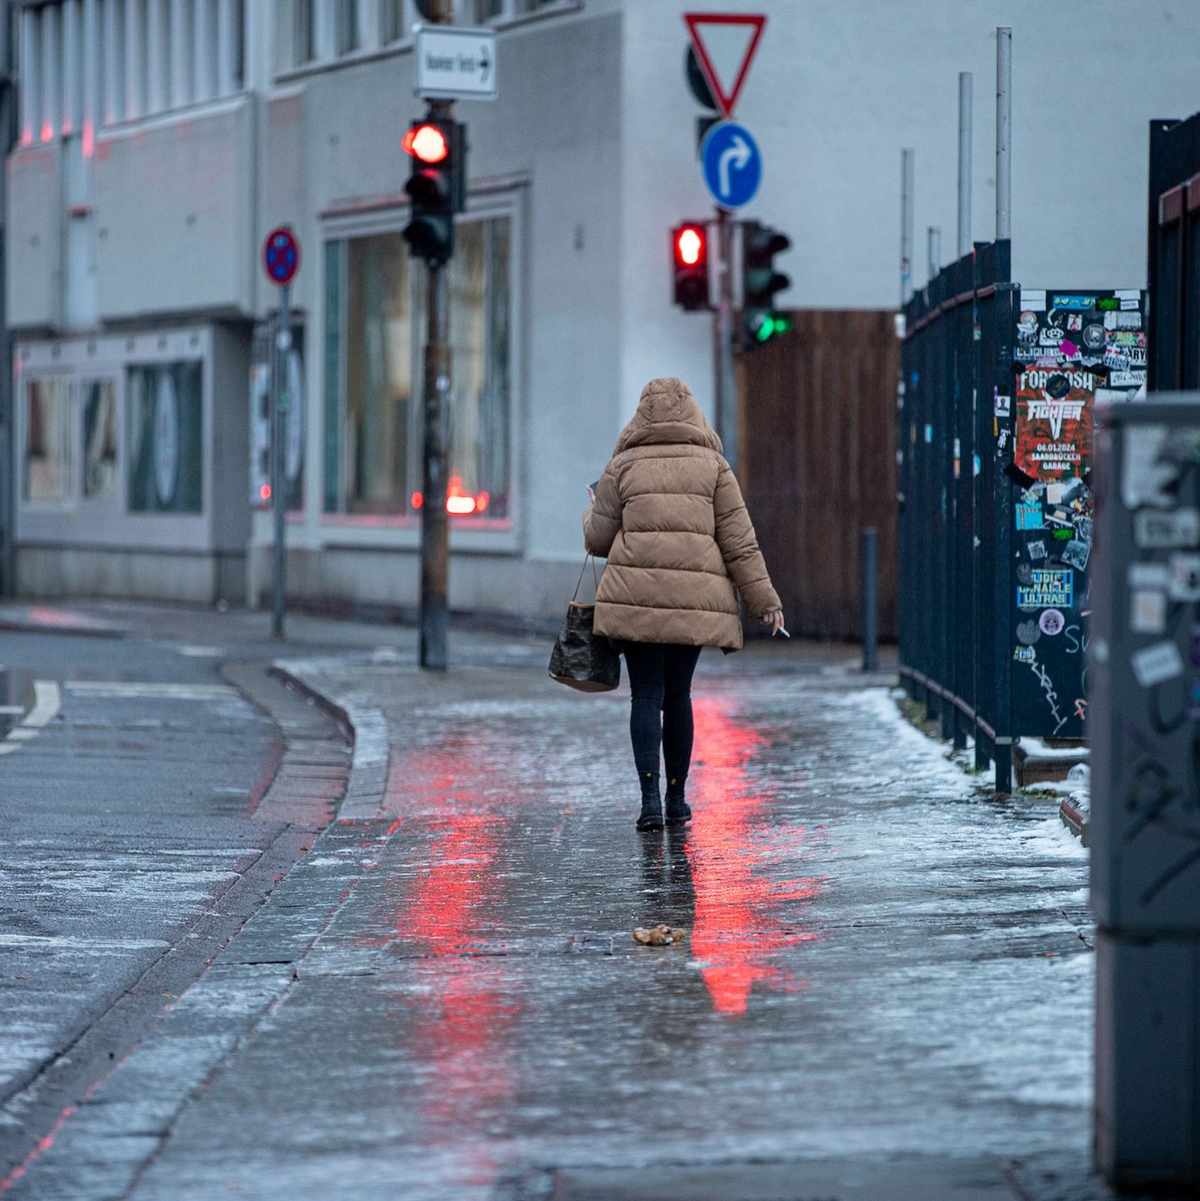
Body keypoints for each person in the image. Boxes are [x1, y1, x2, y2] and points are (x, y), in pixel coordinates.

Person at [583, 377, 783, 832]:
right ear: (693, 413)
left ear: (642, 415)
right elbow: (739, 541)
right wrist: (764, 600)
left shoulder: (623, 465)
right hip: (694, 602)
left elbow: (598, 540)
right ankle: (677, 798)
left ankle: (649, 800)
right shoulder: (713, 465)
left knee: (645, 695)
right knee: (678, 697)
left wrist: (593, 508)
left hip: (635, 602)